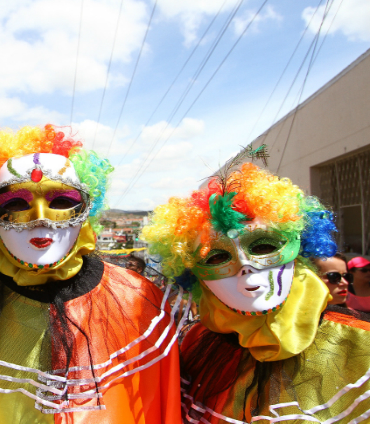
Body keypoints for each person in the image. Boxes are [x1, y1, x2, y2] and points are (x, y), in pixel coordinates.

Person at [0, 125, 183, 423]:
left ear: (87, 207)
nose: (40, 217)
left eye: (62, 202)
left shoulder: (137, 301)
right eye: (15, 204)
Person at [141, 163, 370, 422]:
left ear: (299, 246)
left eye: (263, 246)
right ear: (194, 274)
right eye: (217, 257)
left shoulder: (361, 346)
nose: (246, 268)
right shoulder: (196, 343)